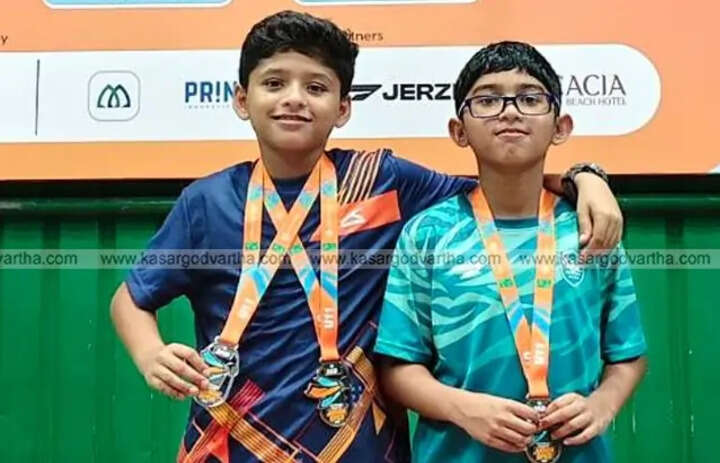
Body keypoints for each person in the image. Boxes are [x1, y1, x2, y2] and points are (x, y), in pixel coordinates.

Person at [109, 12, 623, 463]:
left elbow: (502, 183)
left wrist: (586, 178)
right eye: (275, 83)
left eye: (316, 87)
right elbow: (130, 300)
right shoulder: (206, 201)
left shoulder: (383, 180)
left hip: (360, 446)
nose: (294, 99)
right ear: (243, 100)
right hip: (233, 441)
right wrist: (150, 354)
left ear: (343, 108)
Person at [375, 41, 648, 463]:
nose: (509, 111)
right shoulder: (428, 234)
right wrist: (462, 409)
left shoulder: (589, 227)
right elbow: (397, 367)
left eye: (530, 98)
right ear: (459, 131)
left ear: (560, 127)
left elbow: (627, 353)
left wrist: (602, 405)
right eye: (487, 100)